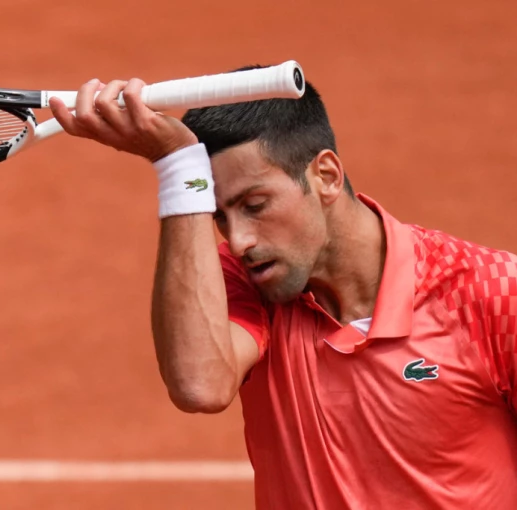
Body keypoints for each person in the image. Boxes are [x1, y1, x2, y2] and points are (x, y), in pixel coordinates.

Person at [48, 68, 517, 509]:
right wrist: (177, 168)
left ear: (326, 176)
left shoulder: (493, 292)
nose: (238, 241)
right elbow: (200, 386)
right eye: (218, 216)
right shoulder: (245, 281)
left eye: (255, 205)